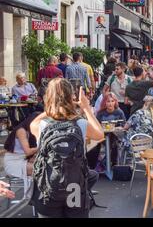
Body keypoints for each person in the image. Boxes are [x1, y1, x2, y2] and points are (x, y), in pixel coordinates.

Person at [30, 79, 104, 218]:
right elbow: (99, 133)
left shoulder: (41, 125)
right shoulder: (80, 123)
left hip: (48, 186)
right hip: (74, 186)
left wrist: (52, 107)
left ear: (48, 98)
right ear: (72, 97)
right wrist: (86, 107)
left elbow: (33, 122)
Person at [3, 111, 40, 194]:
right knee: (41, 169)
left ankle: (39, 195)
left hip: (22, 160)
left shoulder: (30, 132)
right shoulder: (21, 131)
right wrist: (42, 146)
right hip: (13, 163)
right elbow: (28, 152)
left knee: (46, 165)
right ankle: (36, 197)